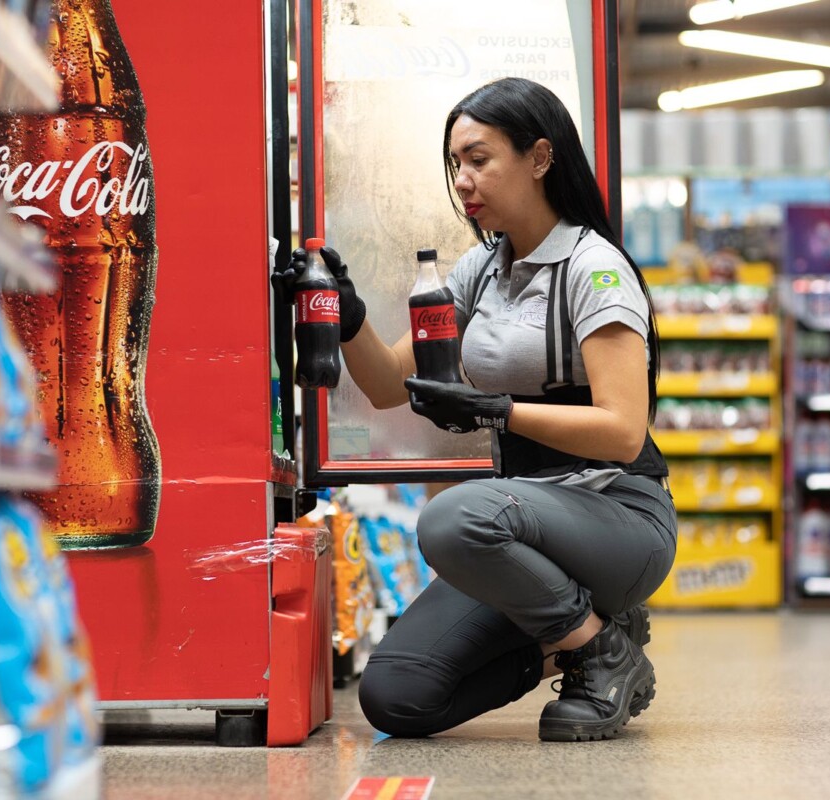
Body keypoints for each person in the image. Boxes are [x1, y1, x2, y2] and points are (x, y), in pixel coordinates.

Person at [274, 77, 676, 742]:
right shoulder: (482, 270)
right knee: (396, 697)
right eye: (455, 163)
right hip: (527, 520)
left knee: (453, 518)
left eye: (479, 159)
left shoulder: (593, 268)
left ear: (540, 158)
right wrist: (346, 314)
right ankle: (586, 634)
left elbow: (624, 430)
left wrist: (498, 411)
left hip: (619, 514)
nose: (463, 180)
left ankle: (601, 655)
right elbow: (385, 384)